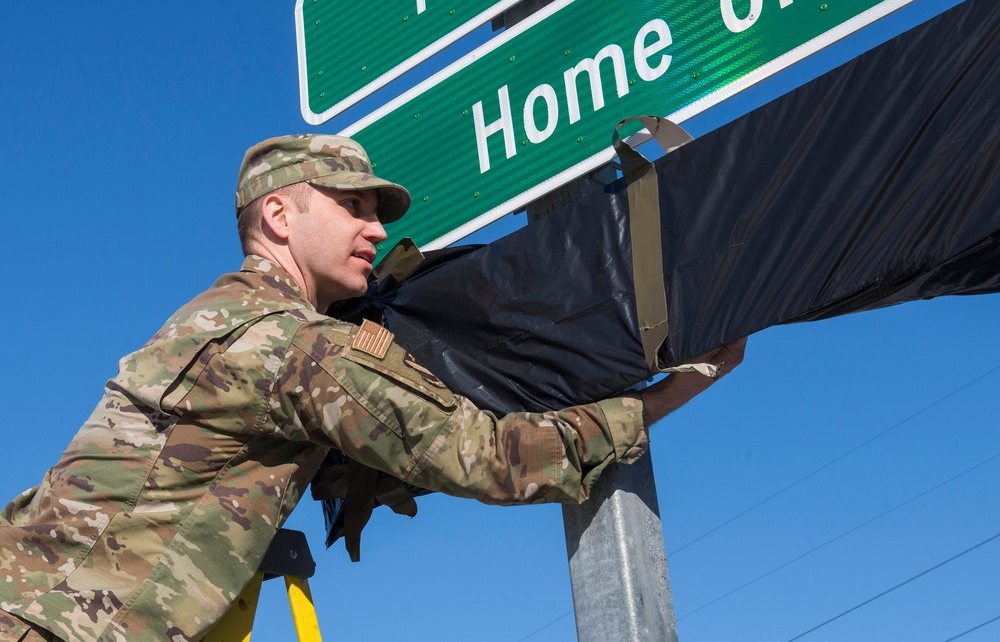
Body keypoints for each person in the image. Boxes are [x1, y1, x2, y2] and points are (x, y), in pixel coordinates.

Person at [0, 134, 746, 642]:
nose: (373, 230)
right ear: (278, 214)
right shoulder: (294, 347)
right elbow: (487, 456)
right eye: (350, 206)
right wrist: (672, 391)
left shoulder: (209, 316)